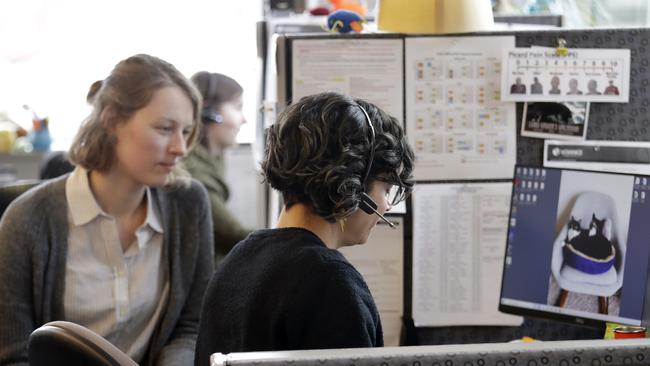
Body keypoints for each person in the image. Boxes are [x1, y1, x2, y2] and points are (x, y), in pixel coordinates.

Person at [0, 54, 214, 365]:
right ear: (112, 120)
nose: (180, 148)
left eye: (186, 132)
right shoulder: (27, 220)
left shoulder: (189, 204)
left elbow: (190, 326)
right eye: (165, 128)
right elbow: (13, 356)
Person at [195, 92, 414, 363]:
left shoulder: (238, 260)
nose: (387, 206)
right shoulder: (331, 283)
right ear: (353, 186)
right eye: (386, 189)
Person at [184, 72, 252, 264]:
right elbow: (233, 235)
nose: (244, 119)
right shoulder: (193, 171)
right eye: (238, 107)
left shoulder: (212, 159)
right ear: (210, 113)